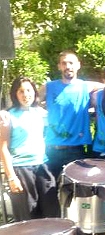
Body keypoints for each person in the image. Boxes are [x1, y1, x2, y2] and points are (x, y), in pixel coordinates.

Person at [41, 51, 105, 178]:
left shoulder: (86, 86)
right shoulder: (48, 87)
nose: (68, 66)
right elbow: (30, 99)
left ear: (78, 65)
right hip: (52, 149)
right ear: (59, 66)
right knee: (51, 190)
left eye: (71, 63)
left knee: (78, 190)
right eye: (64, 63)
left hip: (77, 149)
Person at [0, 77, 59, 221]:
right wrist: (12, 177)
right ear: (15, 94)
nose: (26, 94)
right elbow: (3, 148)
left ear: (34, 92)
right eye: (21, 91)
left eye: (29, 90)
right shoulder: (8, 116)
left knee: (51, 212)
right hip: (21, 169)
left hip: (42, 166)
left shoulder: (40, 113)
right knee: (28, 215)